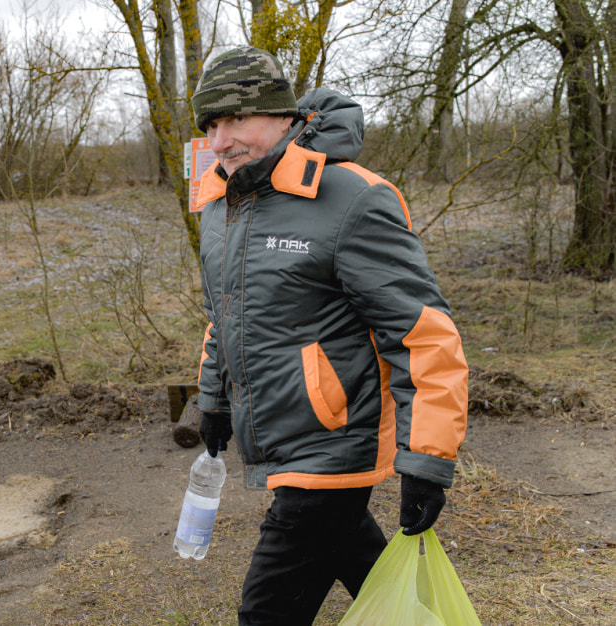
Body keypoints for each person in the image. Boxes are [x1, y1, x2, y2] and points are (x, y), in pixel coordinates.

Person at [190, 47, 469, 625]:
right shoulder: (222, 205)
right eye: (211, 125)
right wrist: (213, 399)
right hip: (282, 436)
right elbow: (227, 314)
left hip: (334, 442)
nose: (220, 141)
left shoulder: (351, 198)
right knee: (355, 555)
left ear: (283, 115)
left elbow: (422, 331)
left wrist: (428, 457)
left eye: (235, 119)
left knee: (265, 612)